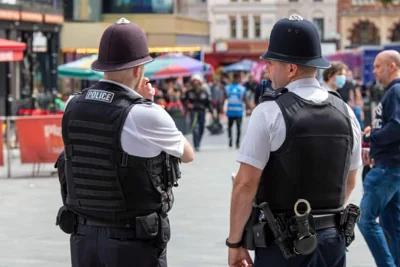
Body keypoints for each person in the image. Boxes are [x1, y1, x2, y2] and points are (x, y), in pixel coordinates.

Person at [55, 18, 194, 267]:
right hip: (131, 241)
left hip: (83, 237)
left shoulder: (72, 105)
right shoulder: (145, 114)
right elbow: (187, 153)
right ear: (138, 70)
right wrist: (150, 103)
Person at [227, 14, 362, 267]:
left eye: (271, 62)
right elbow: (351, 181)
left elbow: (245, 184)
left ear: (291, 68)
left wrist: (235, 244)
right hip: (332, 242)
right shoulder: (345, 111)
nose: (267, 69)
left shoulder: (269, 111)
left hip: (284, 245)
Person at [358, 50, 400, 267]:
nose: (373, 71)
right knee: (393, 225)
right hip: (391, 167)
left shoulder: (396, 91)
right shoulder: (392, 92)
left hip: (387, 167)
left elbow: (396, 127)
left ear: (391, 66)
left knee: (365, 219)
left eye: (376, 66)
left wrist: (372, 137)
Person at [182, 74, 214, 151]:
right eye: (194, 81)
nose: (196, 83)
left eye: (197, 81)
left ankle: (198, 142)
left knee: (201, 128)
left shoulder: (204, 91)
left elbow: (208, 102)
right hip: (194, 112)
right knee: (195, 128)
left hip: (202, 112)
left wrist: (212, 111)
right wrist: (188, 105)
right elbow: (183, 99)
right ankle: (196, 145)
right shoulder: (189, 92)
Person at [224, 73, 249, 148]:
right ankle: (236, 142)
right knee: (237, 127)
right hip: (238, 111)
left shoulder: (227, 88)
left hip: (232, 111)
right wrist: (249, 108)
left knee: (230, 127)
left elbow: (223, 98)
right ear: (238, 79)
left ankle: (231, 141)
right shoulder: (242, 88)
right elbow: (245, 100)